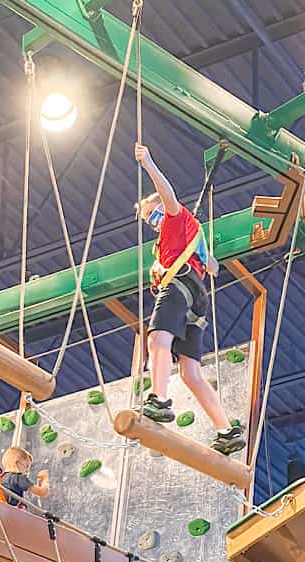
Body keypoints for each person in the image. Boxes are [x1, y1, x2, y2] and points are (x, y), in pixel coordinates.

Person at [134, 143, 246, 456]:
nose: (151, 222)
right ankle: (227, 430)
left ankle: (159, 398)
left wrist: (149, 164)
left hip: (180, 287)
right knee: (189, 371)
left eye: (150, 216)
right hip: (195, 297)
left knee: (157, 339)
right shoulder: (184, 235)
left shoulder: (174, 218)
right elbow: (212, 266)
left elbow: (167, 194)